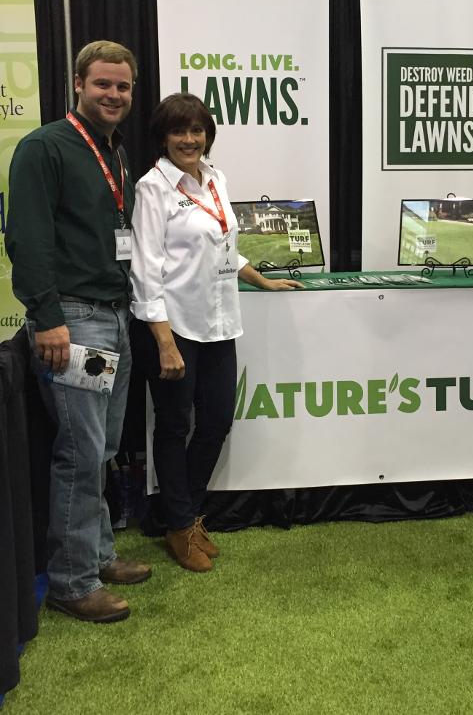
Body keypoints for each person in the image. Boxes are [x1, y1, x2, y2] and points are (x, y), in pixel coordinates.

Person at [6, 40, 151, 624]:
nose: (113, 95)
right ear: (78, 84)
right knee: (81, 452)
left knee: (105, 448)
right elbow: (27, 238)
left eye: (123, 86)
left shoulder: (115, 152)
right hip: (73, 319)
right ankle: (72, 581)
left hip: (115, 314)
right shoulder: (45, 147)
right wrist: (47, 318)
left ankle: (98, 554)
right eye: (102, 84)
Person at [130, 93, 303, 573]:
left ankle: (182, 517)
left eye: (197, 130)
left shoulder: (215, 178)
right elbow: (145, 270)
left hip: (220, 322)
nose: (189, 139)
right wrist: (164, 341)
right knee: (173, 426)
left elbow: (224, 247)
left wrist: (261, 280)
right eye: (179, 131)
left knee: (217, 422)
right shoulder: (153, 188)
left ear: (208, 135)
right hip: (175, 328)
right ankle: (180, 524)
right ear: (163, 138)